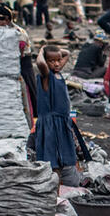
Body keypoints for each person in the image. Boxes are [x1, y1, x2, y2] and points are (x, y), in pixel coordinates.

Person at [33, 46, 81, 185]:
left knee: (62, 160)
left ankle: (58, 190)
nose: (57, 64)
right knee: (53, 161)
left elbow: (68, 53)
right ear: (46, 62)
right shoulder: (46, 76)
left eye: (58, 60)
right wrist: (41, 50)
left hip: (62, 122)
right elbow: (40, 63)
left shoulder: (59, 74)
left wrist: (54, 51)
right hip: (51, 124)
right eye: (52, 61)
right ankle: (55, 193)